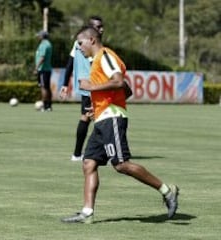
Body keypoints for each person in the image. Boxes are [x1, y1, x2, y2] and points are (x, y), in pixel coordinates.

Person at [61, 26, 179, 224]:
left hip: (112, 117)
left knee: (121, 164)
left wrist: (93, 88)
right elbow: (126, 90)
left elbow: (119, 82)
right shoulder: (97, 61)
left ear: (91, 40)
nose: (79, 48)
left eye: (80, 43)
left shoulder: (105, 56)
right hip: (102, 116)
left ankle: (168, 191)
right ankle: (87, 213)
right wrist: (98, 106)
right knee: (89, 163)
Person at [59, 16, 104, 161]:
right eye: (98, 27)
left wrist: (65, 84)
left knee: (87, 118)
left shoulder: (76, 43)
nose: (101, 29)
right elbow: (93, 65)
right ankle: (101, 154)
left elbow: (69, 64)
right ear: (90, 29)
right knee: (101, 118)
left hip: (85, 85)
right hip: (93, 85)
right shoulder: (90, 45)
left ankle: (77, 154)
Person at [34, 30, 53, 112]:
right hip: (47, 69)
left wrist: (36, 68)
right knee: (47, 87)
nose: (38, 37)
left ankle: (45, 105)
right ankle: (49, 105)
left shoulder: (44, 45)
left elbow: (42, 57)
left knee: (43, 87)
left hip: (43, 69)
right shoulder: (48, 44)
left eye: (39, 35)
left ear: (42, 36)